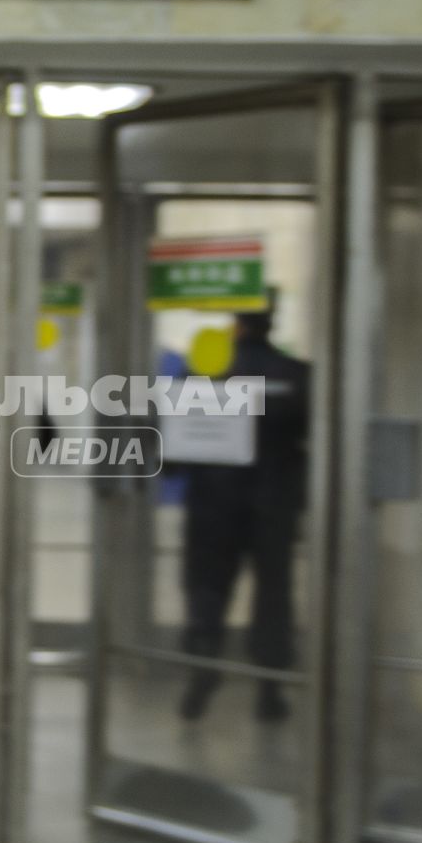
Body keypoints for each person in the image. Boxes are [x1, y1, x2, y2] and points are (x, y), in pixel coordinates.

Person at [177, 301, 310, 723]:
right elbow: (309, 442)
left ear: (235, 326)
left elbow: (178, 446)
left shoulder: (204, 374)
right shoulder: (298, 375)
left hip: (213, 505)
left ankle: (203, 671)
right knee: (273, 596)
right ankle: (270, 688)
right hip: (273, 506)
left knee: (207, 592)